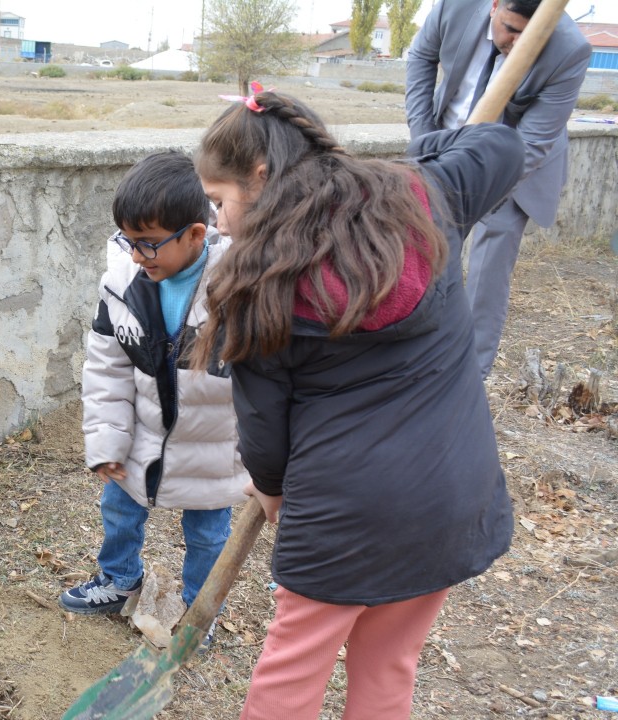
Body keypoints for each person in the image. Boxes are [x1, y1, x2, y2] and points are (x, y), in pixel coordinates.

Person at [188, 90, 518, 719]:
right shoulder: (423, 198)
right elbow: (501, 145)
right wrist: (404, 163)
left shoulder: (257, 281)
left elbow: (264, 432)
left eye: (221, 201)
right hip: (451, 492)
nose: (221, 221)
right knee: (390, 665)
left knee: (294, 671)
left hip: (343, 512)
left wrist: (275, 493)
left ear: (261, 177)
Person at [59, 151, 249, 630]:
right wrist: (106, 441)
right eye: (128, 241)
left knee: (208, 534)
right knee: (119, 507)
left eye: (148, 244)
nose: (137, 256)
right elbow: (106, 369)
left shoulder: (239, 289)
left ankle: (198, 614)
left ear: (195, 235)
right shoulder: (123, 284)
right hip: (143, 433)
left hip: (214, 447)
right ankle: (118, 578)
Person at [405, 0, 590, 379]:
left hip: (513, 170)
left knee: (486, 278)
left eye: (529, 35)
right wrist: (424, 139)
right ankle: (411, 364)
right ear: (493, 6)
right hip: (442, 146)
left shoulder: (570, 48)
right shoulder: (455, 7)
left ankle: (467, 380)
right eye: (511, 29)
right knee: (421, 260)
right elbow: (421, 58)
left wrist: (482, 187)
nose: (518, 44)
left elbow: (533, 143)